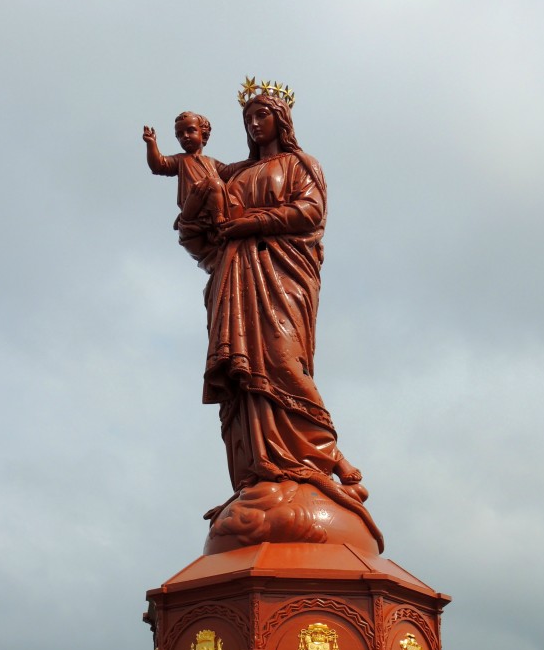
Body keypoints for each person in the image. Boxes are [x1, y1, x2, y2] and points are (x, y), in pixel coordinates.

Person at [201, 88, 379, 540]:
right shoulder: (234, 173)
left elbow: (310, 212)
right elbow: (203, 222)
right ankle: (260, 468)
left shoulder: (301, 165)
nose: (254, 124)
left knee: (281, 359)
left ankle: (326, 457)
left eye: (262, 115)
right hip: (236, 279)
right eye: (248, 118)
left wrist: (250, 223)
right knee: (244, 375)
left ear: (281, 119)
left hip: (282, 276)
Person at [142, 112, 243, 270]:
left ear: (203, 134)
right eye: (180, 135)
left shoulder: (211, 162)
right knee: (215, 184)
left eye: (190, 131)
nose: (185, 136)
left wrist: (252, 161)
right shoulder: (181, 160)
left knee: (217, 185)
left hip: (212, 205)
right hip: (193, 207)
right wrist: (151, 144)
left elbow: (230, 171)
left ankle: (218, 218)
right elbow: (158, 165)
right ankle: (218, 219)